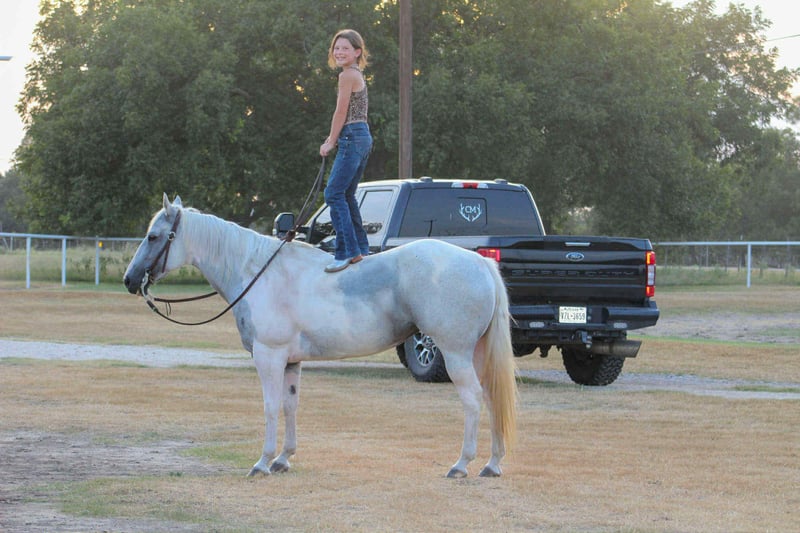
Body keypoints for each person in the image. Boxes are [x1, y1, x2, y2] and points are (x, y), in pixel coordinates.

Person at [320, 29, 373, 273]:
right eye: (337, 48)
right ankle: (360, 248)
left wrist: (331, 141)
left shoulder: (347, 76)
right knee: (347, 194)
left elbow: (341, 112)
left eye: (345, 48)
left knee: (333, 193)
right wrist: (335, 136)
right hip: (361, 135)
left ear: (357, 52)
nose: (339, 52)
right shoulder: (356, 74)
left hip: (352, 135)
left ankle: (346, 252)